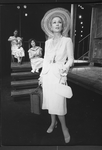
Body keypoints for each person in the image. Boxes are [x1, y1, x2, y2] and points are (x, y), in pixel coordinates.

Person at [39, 8, 74, 144]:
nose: (57, 24)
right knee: (50, 102)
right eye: (54, 22)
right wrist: (41, 76)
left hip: (59, 74)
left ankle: (65, 128)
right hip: (48, 75)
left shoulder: (67, 40)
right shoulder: (47, 42)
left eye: (59, 22)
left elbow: (70, 59)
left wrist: (65, 68)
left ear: (62, 25)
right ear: (51, 26)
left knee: (59, 103)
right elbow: (46, 60)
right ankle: (53, 123)